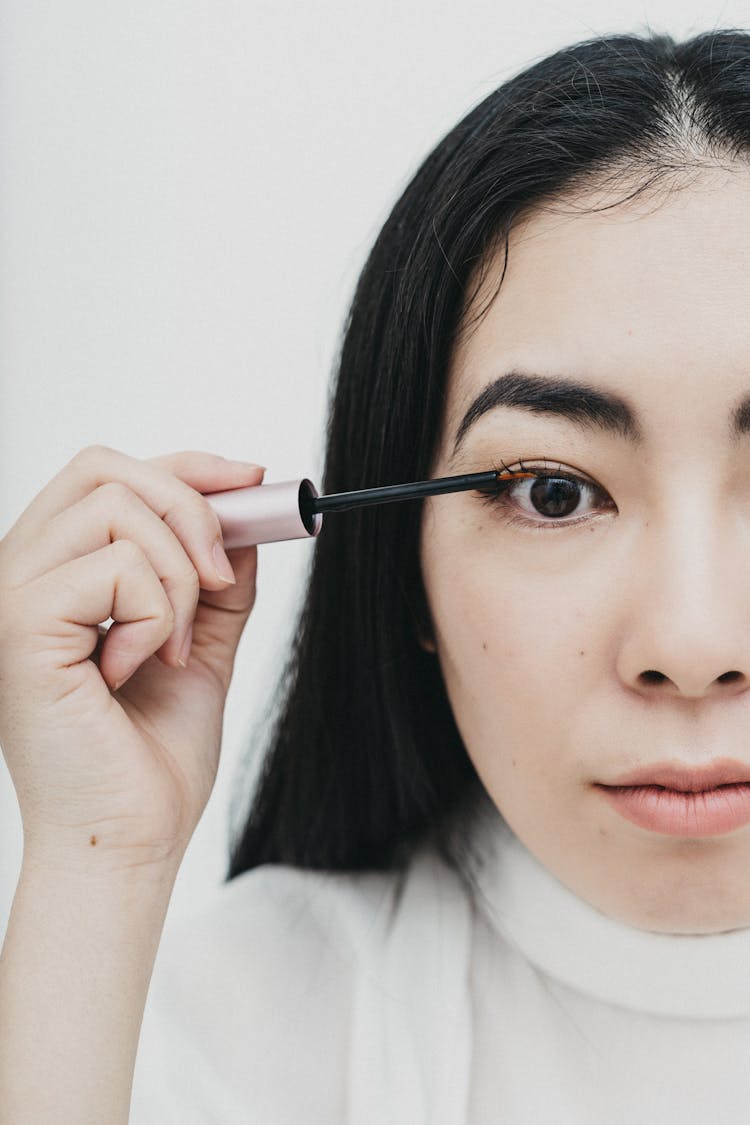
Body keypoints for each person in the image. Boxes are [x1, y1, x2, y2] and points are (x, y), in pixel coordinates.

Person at [3, 25, 750, 1124]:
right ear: (406, 575)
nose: (694, 650)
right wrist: (94, 867)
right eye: (554, 492)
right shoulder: (222, 1040)